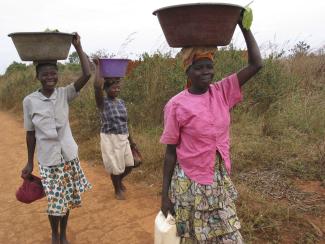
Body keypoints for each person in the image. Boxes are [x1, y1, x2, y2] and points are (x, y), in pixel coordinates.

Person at [160, 17, 263, 243]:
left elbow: (256, 64)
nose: (206, 72)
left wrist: (244, 27)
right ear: (188, 71)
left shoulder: (222, 91)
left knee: (231, 237)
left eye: (209, 67)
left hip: (218, 180)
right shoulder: (176, 105)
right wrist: (164, 196)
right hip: (189, 184)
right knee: (195, 238)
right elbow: (170, 152)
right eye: (199, 68)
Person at [21, 33, 92, 244]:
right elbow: (30, 133)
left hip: (68, 157)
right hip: (48, 161)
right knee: (54, 201)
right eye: (45, 74)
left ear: (57, 75)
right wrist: (29, 161)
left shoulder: (64, 94)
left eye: (53, 73)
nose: (50, 77)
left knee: (67, 199)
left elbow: (87, 74)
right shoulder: (29, 101)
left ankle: (63, 233)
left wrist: (78, 47)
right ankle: (55, 233)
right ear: (37, 77)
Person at [93, 58, 137, 200]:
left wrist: (132, 141)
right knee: (115, 166)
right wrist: (99, 68)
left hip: (123, 136)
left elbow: (126, 122)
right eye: (113, 87)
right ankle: (117, 188)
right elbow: (96, 87)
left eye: (118, 87)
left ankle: (119, 181)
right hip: (110, 138)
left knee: (131, 164)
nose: (116, 89)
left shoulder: (121, 102)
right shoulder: (103, 103)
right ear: (106, 89)